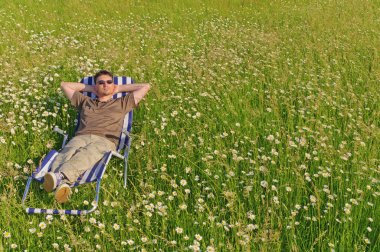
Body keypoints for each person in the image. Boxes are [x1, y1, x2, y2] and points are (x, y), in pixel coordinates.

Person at [43, 70, 150, 203]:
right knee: (67, 151)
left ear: (113, 84)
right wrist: (90, 89)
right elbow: (64, 85)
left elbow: (145, 87)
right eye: (101, 83)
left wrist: (117, 89)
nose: (105, 84)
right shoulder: (85, 101)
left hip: (106, 140)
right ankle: (62, 184)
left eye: (109, 82)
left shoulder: (122, 103)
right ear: (95, 86)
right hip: (81, 136)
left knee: (88, 153)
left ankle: (60, 177)